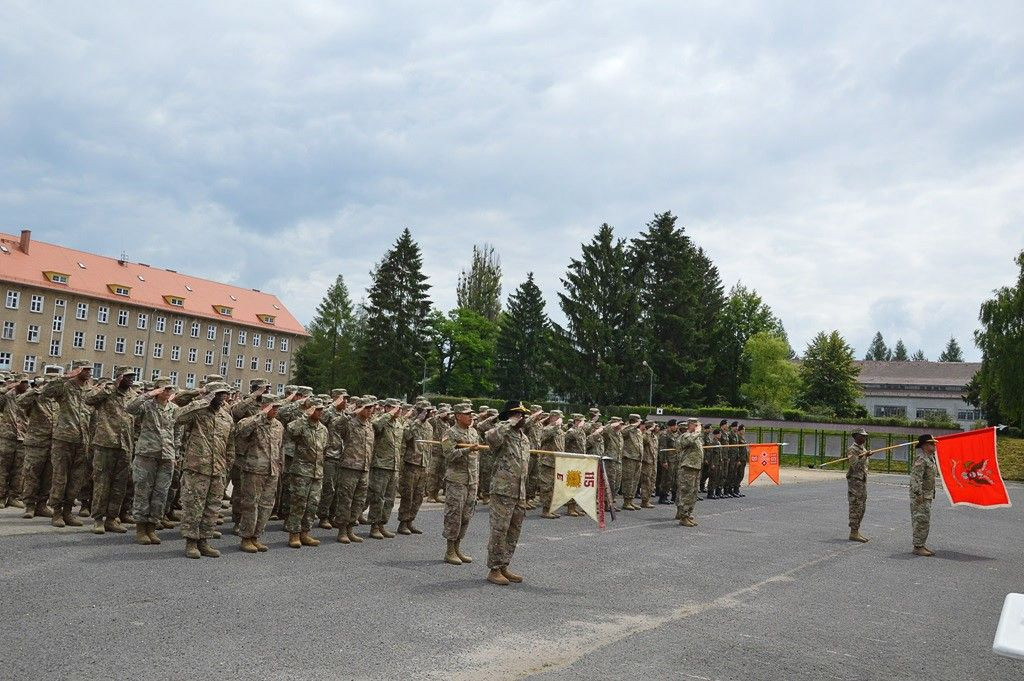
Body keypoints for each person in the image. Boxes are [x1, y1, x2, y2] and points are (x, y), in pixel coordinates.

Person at [176, 382, 235, 559]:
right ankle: (191, 542)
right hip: (197, 468)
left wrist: (227, 464)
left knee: (211, 508)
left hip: (218, 469)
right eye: (218, 394)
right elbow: (178, 417)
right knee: (194, 506)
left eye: (224, 394)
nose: (222, 397)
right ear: (210, 395)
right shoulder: (197, 412)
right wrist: (202, 400)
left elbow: (230, 444)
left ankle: (204, 541)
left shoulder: (226, 417)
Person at [83, 366, 136, 535]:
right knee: (102, 483)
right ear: (119, 378)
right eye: (127, 377)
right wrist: (112, 386)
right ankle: (98, 520)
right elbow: (88, 399)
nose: (130, 380)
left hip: (125, 446)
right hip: (105, 444)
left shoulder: (132, 397)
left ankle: (112, 518)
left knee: (120, 485)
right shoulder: (106, 392)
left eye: (132, 377)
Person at [484, 400, 531, 586]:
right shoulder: (502, 433)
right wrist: (506, 423)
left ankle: (504, 565)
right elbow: (490, 437)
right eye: (518, 414)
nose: (522, 418)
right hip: (502, 490)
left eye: (523, 415)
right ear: (510, 416)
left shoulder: (523, 437)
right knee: (499, 530)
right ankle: (494, 569)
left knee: (513, 531)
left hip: (519, 491)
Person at [126, 377, 178, 545]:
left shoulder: (173, 409)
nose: (167, 392)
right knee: (143, 491)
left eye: (170, 389)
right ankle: (141, 528)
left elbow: (178, 433)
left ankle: (152, 527)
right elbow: (130, 408)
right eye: (164, 389)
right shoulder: (146, 406)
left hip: (166, 456)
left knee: (161, 493)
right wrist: (148, 395)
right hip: (147, 454)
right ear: (157, 389)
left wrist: (175, 454)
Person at [42, 360, 93, 527]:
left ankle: (68, 511)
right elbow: (46, 393)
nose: (89, 373)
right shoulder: (65, 386)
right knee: (60, 477)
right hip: (64, 439)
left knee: (76, 479)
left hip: (82, 440)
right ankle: (56, 512)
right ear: (77, 371)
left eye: (90, 370)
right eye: (85, 370)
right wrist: (64, 377)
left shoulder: (90, 389)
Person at [234, 396, 284, 553]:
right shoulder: (250, 421)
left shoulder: (278, 425)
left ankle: (256, 536)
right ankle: (246, 537)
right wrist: (261, 415)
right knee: (250, 504)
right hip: (254, 469)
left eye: (277, 407)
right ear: (263, 406)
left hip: (272, 470)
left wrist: (280, 466)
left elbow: (279, 447)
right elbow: (241, 432)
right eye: (272, 407)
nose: (275, 410)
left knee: (266, 506)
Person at [331, 397, 376, 544]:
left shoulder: (369, 425)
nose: (370, 411)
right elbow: (335, 426)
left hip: (364, 468)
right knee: (345, 499)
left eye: (371, 408)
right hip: (349, 467)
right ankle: (342, 530)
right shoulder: (349, 423)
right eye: (367, 408)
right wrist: (351, 413)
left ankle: (351, 528)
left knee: (359, 500)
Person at [441, 403, 482, 565]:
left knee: (466, 515)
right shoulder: (450, 433)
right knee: (454, 515)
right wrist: (467, 450)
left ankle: (458, 547)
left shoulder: (473, 432)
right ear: (458, 416)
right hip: (457, 480)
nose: (471, 416)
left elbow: (476, 459)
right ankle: (449, 550)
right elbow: (449, 455)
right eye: (467, 414)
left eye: (471, 413)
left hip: (471, 480)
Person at [284, 399, 328, 548]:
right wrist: (304, 416)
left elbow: (324, 450)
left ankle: (305, 533)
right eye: (317, 409)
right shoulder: (301, 425)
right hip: (302, 472)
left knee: (312, 505)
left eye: (321, 410)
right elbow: (290, 430)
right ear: (310, 410)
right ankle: (294, 535)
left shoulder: (323, 429)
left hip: (317, 473)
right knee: (298, 504)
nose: (320, 412)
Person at [16, 377, 56, 518]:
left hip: (54, 443)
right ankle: (30, 506)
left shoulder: (58, 400)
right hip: (36, 442)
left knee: (48, 477)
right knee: (32, 474)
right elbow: (19, 402)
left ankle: (42, 505)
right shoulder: (36, 397)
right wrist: (35, 390)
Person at [368, 398, 403, 540]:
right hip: (381, 464)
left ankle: (382, 524)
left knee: (389, 499)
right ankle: (374, 526)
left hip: (394, 466)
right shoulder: (380, 420)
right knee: (378, 497)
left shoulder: (399, 424)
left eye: (398, 408)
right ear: (387, 408)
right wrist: (388, 414)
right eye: (394, 408)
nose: (398, 411)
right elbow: (375, 426)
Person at [398, 402, 433, 535]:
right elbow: (406, 436)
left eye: (429, 412)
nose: (428, 414)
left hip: (424, 465)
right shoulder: (410, 424)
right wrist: (417, 421)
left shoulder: (429, 427)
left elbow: (429, 447)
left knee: (418, 496)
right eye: (425, 411)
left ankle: (410, 521)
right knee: (408, 495)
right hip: (411, 464)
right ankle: (403, 523)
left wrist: (428, 465)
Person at [0, 374, 29, 508]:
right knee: (3, 468)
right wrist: (6, 388)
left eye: (27, 382)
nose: (26, 385)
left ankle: (13, 497)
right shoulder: (7, 396)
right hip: (7, 436)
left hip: (22, 437)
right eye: (23, 382)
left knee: (19, 470)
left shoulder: (28, 397)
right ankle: (1, 497)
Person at [910, 434, 938, 556]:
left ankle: (921, 544)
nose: (934, 445)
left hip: (927, 495)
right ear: (925, 445)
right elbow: (915, 478)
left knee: (924, 520)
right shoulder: (921, 459)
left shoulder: (930, 458)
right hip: (920, 496)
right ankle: (917, 547)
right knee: (920, 520)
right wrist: (918, 494)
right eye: (932, 443)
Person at [674, 418, 704, 527]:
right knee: (686, 492)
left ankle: (688, 514)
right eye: (695, 424)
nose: (697, 426)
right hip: (688, 468)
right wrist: (696, 432)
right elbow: (688, 441)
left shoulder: (695, 437)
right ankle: (683, 516)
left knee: (693, 492)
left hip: (695, 468)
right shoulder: (685, 435)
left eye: (698, 424)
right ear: (689, 425)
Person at [846, 427, 871, 543]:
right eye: (862, 435)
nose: (864, 437)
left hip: (862, 482)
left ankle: (857, 531)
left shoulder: (863, 448)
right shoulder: (852, 450)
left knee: (862, 507)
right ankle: (853, 532)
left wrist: (865, 454)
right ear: (855, 436)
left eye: (865, 435)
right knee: (856, 506)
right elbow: (855, 465)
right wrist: (864, 456)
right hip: (855, 483)